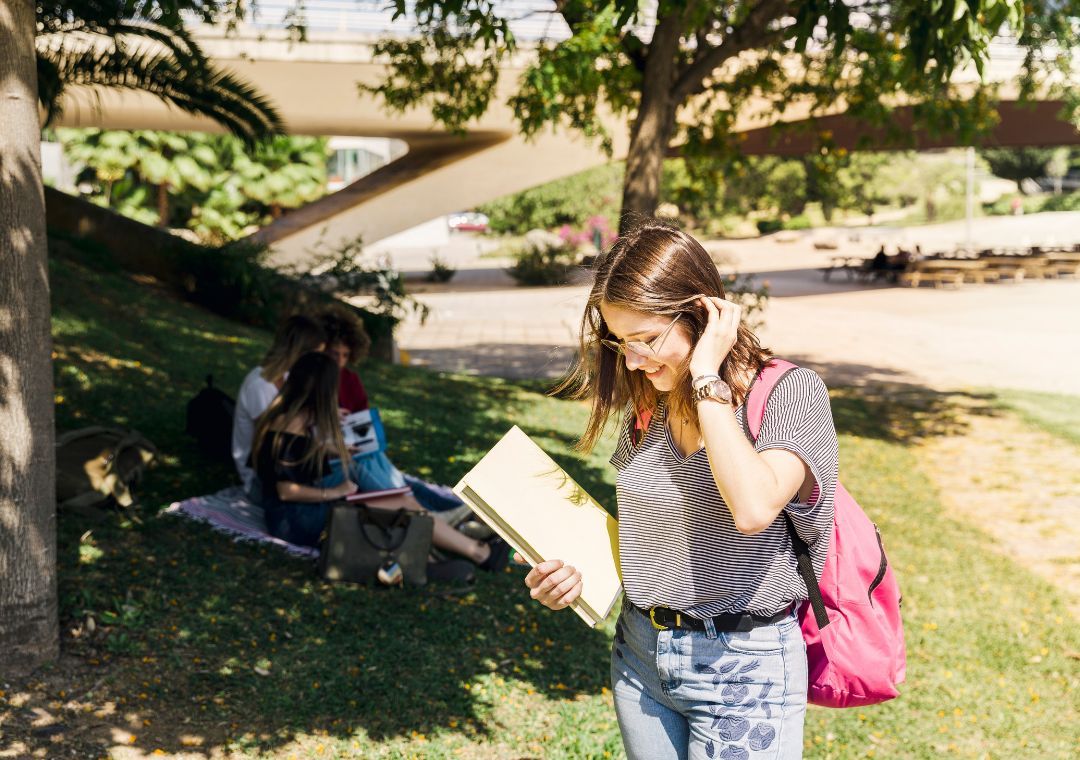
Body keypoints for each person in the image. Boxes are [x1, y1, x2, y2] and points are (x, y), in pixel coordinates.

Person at [525, 221, 838, 760]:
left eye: (647, 340)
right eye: (620, 343)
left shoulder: (790, 392)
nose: (632, 361)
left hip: (746, 667)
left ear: (702, 315)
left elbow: (754, 507)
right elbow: (653, 537)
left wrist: (707, 376)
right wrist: (576, 574)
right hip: (642, 659)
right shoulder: (647, 409)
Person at [252, 351, 511, 572]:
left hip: (302, 508)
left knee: (402, 501)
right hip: (294, 520)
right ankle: (476, 551)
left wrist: (327, 449)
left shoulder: (292, 416)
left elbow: (295, 460)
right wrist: (336, 492)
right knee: (401, 505)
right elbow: (286, 491)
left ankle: (461, 546)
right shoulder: (290, 425)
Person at [232, 314, 327, 497]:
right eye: (315, 356)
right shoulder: (260, 385)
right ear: (299, 352)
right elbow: (273, 447)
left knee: (358, 464)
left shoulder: (285, 378)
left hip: (288, 469)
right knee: (354, 472)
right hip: (264, 481)